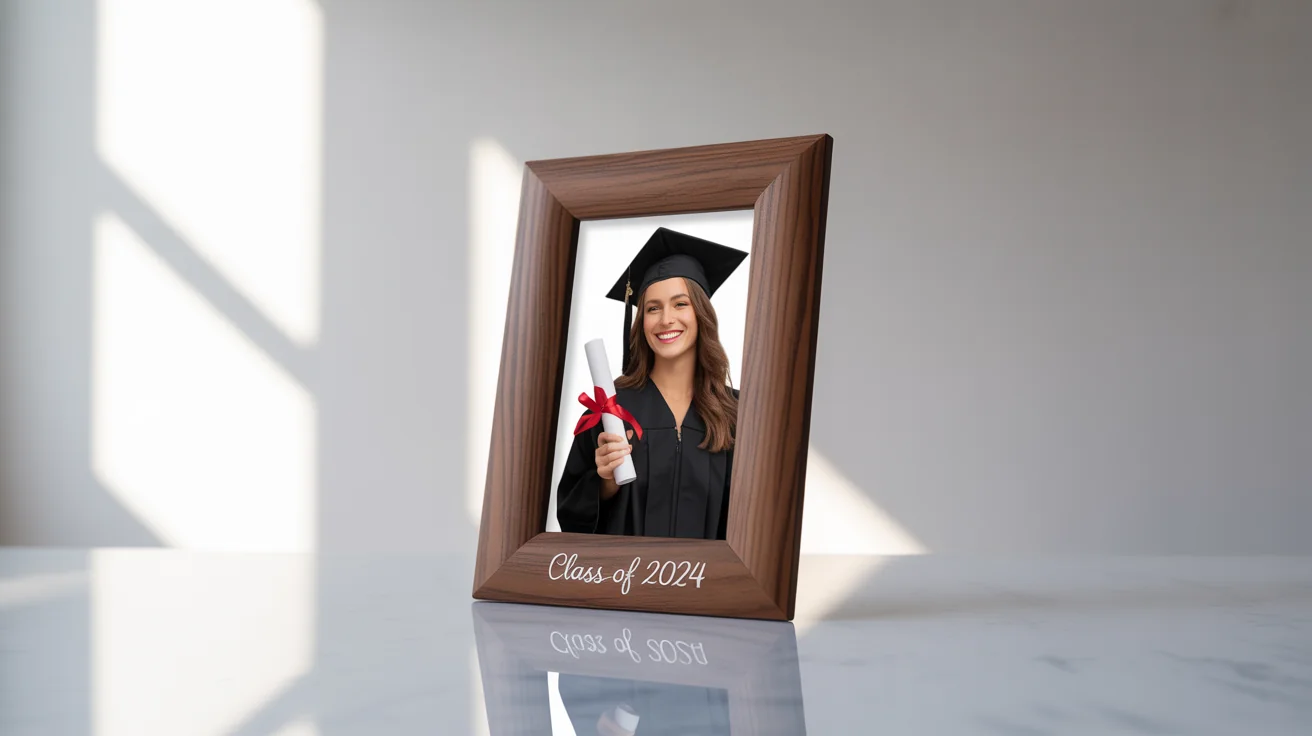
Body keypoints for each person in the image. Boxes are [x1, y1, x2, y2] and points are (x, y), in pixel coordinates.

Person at [556, 227, 748, 540]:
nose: (665, 319)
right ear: (641, 320)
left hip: (706, 584)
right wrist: (605, 482)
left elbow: (751, 520)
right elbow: (570, 517)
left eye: (680, 304)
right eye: (653, 308)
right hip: (625, 582)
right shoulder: (610, 409)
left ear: (702, 314)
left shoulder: (737, 412)